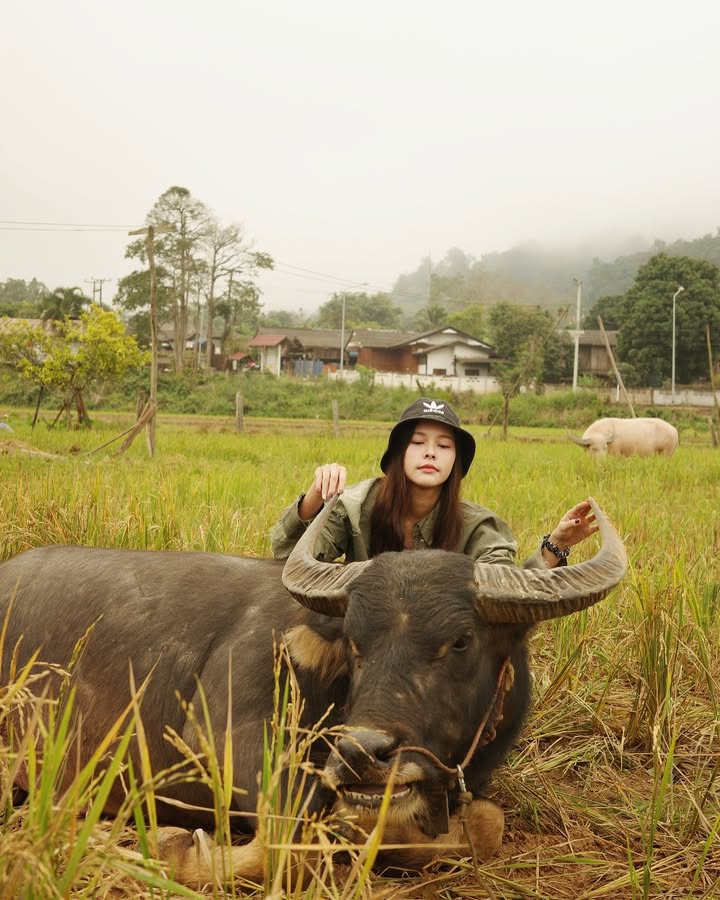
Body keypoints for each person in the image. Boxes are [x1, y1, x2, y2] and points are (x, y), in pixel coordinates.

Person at [270, 397, 597, 567]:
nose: (430, 453)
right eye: (417, 443)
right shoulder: (353, 505)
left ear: (456, 461)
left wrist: (554, 546)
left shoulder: (480, 526)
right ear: (398, 454)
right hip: (362, 641)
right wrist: (316, 496)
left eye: (443, 446)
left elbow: (506, 588)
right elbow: (289, 560)